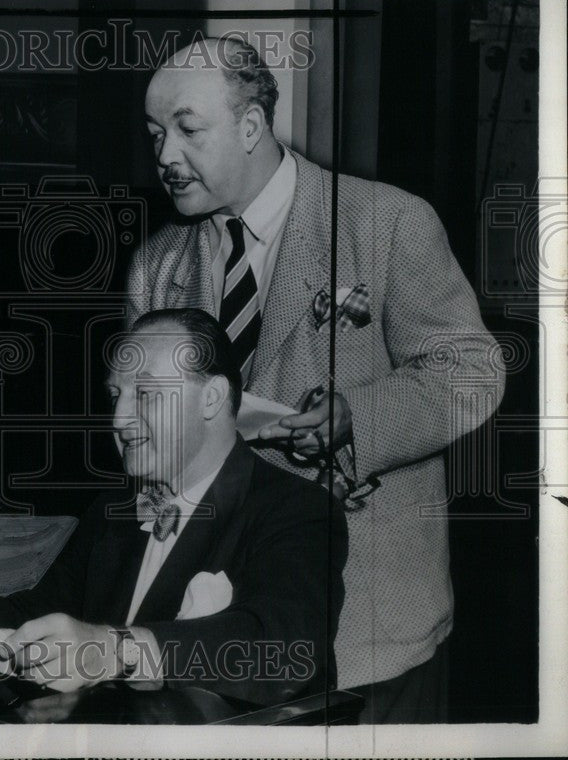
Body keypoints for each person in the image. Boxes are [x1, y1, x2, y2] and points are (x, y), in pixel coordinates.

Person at [127, 37, 505, 721]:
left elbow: (471, 370)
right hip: (220, 627)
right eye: (155, 134)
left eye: (186, 130)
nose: (164, 158)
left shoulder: (387, 222)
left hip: (370, 628)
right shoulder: (155, 268)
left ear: (250, 126)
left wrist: (358, 419)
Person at [0, 309, 347, 706]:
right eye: (116, 395)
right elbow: (35, 615)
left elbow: (286, 649)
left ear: (212, 398)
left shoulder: (299, 509)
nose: (119, 419)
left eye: (146, 394)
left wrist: (116, 650)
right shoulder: (112, 508)